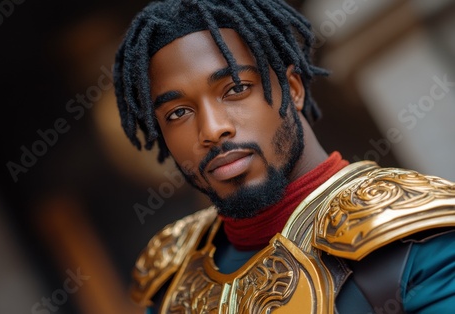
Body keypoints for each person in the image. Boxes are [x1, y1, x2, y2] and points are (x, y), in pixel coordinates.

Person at [113, 0, 455, 312]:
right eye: (177, 113)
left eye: (235, 89)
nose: (212, 130)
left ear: (293, 88)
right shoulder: (170, 278)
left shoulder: (414, 238)